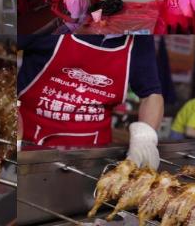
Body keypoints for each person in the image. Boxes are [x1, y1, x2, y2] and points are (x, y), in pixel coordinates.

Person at [18, 34, 164, 169]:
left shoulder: (139, 39)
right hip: (29, 147)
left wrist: (146, 138)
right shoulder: (55, 24)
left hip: (94, 158)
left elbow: (151, 95)